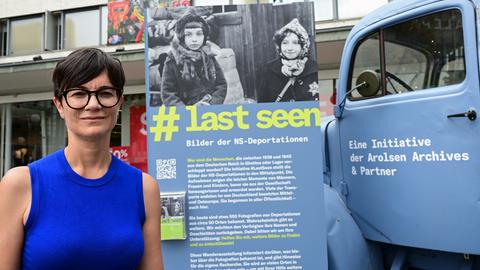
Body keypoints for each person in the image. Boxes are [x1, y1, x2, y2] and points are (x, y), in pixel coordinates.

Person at [0, 48, 164, 270]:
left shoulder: (145, 188)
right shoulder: (20, 184)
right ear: (59, 105)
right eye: (78, 93)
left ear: (119, 102)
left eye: (105, 93)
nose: (93, 104)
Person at [161, 7, 227, 106]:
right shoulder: (173, 60)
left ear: (204, 36)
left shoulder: (208, 57)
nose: (194, 39)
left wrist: (213, 104)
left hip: (208, 108)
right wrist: (187, 111)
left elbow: (221, 85)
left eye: (199, 34)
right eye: (188, 35)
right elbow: (168, 93)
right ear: (181, 36)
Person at [258, 18, 319, 103]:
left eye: (295, 43)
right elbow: (261, 105)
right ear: (279, 46)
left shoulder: (315, 69)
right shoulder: (269, 70)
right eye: (285, 43)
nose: (290, 48)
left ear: (303, 46)